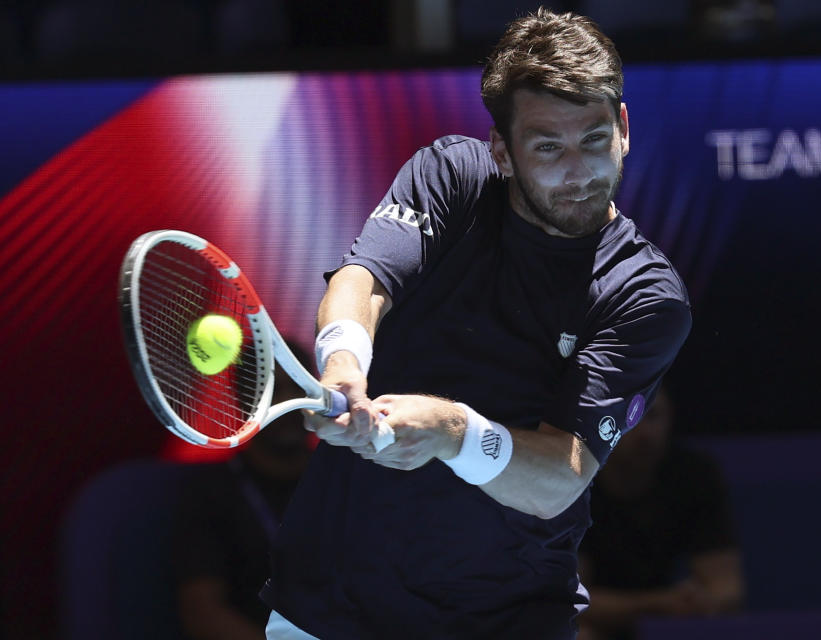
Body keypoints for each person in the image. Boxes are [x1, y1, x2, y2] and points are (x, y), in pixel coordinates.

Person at [260, 8, 692, 639]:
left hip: (505, 619)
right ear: (503, 152)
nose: (578, 171)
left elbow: (559, 479)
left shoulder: (644, 295)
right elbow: (365, 280)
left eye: (595, 139)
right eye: (547, 147)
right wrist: (344, 362)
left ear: (623, 128)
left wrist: (453, 432)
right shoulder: (453, 178)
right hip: (331, 607)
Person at [172, 342, 316, 640]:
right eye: (272, 389)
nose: (287, 401)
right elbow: (203, 615)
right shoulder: (210, 493)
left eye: (298, 388)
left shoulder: (345, 479)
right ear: (242, 401)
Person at [576, 388, 744, 640]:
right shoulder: (573, 480)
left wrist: (698, 601)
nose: (644, 433)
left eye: (653, 416)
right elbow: (572, 602)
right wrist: (658, 604)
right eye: (630, 419)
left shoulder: (694, 476)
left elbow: (727, 588)